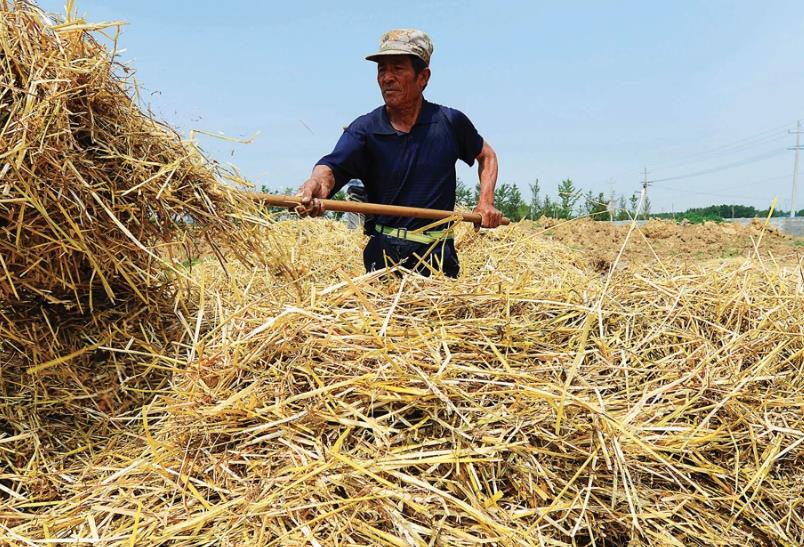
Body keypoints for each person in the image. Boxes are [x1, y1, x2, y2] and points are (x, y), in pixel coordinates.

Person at [296, 29, 502, 277]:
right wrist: (316, 186)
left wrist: (485, 202)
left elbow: (487, 156)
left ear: (423, 77)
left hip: (438, 257)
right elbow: (330, 169)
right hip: (385, 257)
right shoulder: (365, 130)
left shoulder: (449, 123)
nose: (387, 77)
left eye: (397, 68)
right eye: (382, 69)